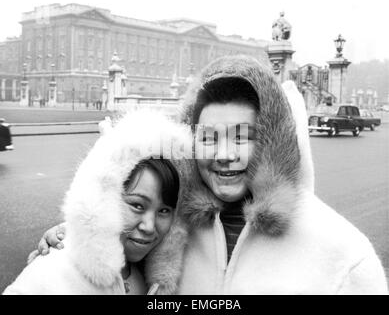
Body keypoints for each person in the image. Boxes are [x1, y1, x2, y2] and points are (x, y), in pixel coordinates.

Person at [29, 55, 388, 294]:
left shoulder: (344, 255)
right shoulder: (170, 230)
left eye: (243, 136)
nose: (224, 155)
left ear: (273, 138)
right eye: (208, 137)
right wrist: (73, 235)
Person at [2, 110, 190, 295]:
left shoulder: (141, 274)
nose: (149, 226)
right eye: (137, 205)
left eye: (164, 210)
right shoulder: (52, 272)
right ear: (103, 200)